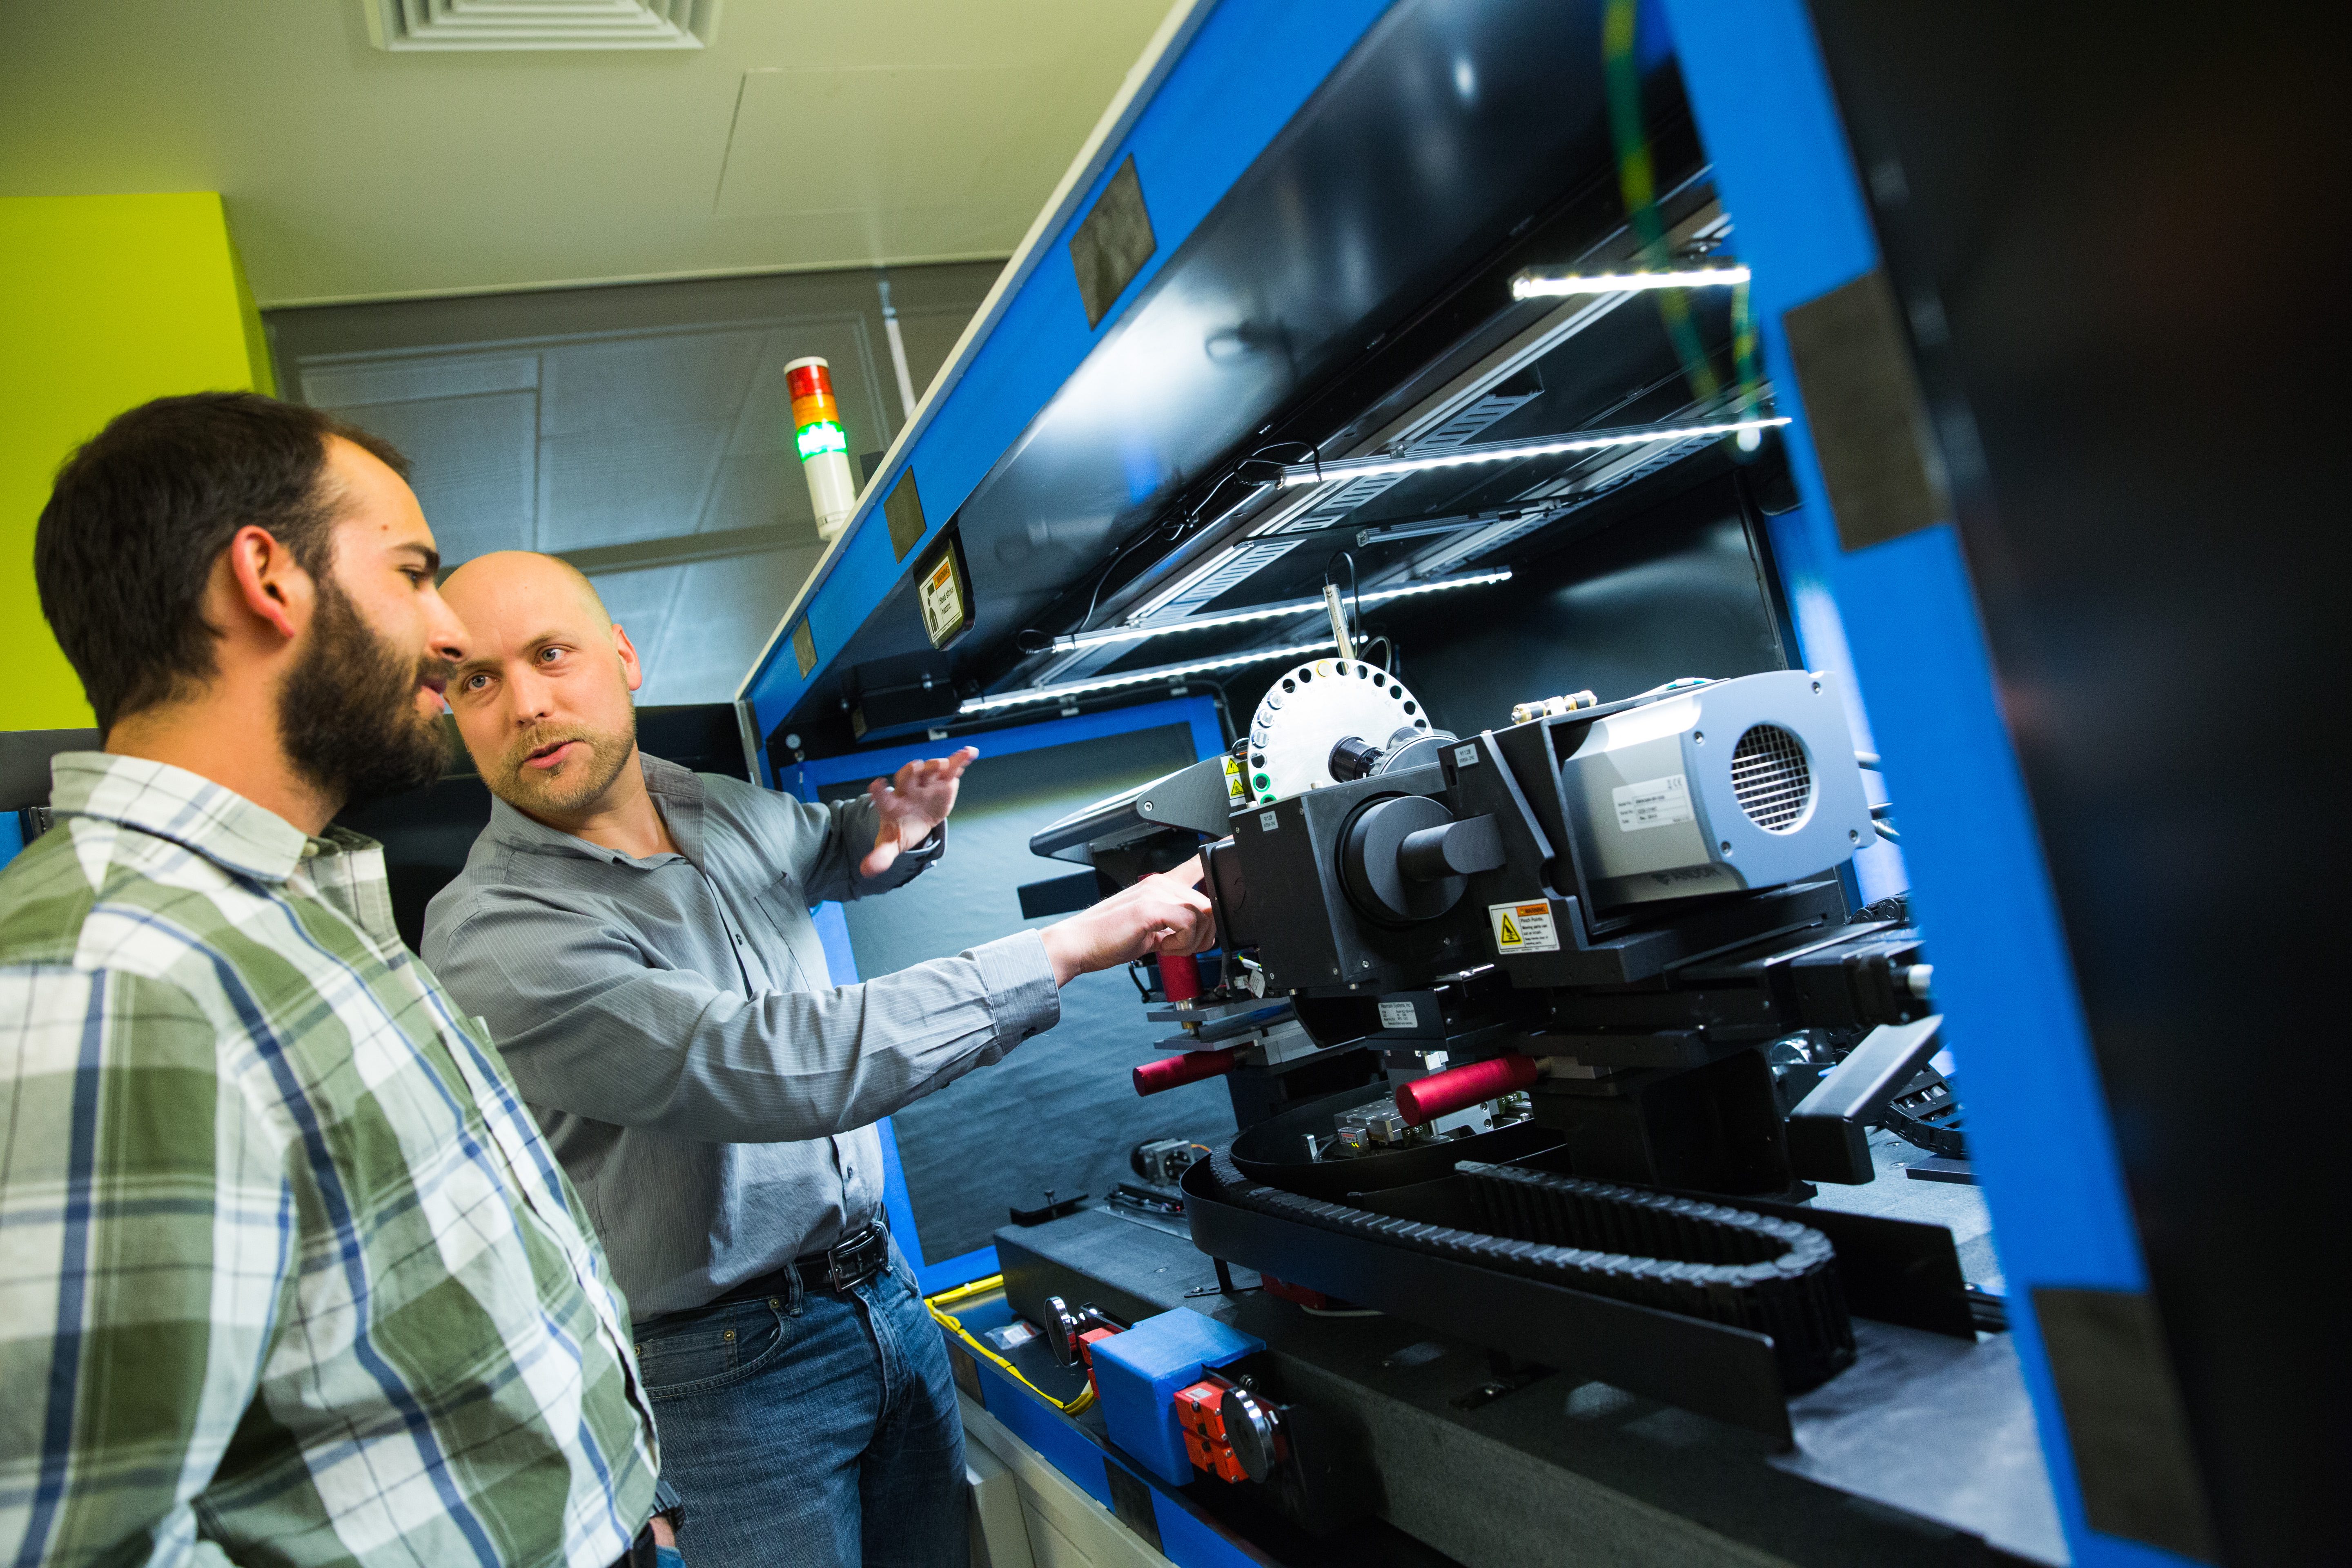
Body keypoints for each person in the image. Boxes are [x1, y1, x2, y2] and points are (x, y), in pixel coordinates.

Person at [420, 551, 1216, 1568]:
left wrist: (899, 830)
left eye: (551, 654)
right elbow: (764, 1065)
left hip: (884, 1301)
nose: (525, 703)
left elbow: (832, 846)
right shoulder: (496, 933)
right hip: (723, 1380)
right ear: (451, 708)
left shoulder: (711, 805)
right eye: (477, 681)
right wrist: (1075, 942)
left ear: (620, 658)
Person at [0, 394, 679, 1568]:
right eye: (415, 573)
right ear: (268, 576)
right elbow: (73, 1541)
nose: (452, 632)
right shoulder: (111, 971)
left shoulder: (299, 907)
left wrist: (609, 1489)